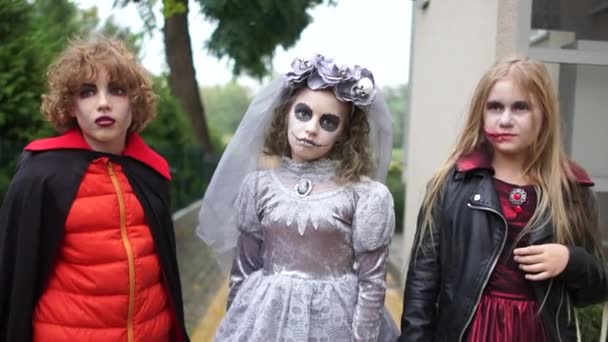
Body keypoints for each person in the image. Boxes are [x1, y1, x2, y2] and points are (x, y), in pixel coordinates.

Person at [399, 56, 608, 341]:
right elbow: (421, 284)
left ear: (543, 113)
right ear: (481, 113)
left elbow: (596, 287)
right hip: (468, 333)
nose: (505, 119)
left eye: (520, 107)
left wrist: (571, 261)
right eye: (495, 107)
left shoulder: (571, 190)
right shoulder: (451, 183)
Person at [197, 54, 399, 341]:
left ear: (344, 133)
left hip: (335, 322)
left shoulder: (364, 195)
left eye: (328, 121)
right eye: (304, 113)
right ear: (286, 113)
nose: (312, 128)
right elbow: (243, 269)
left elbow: (372, 283)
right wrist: (235, 327)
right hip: (265, 318)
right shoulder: (258, 187)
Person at [0, 37, 189, 342]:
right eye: (87, 92)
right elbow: (15, 278)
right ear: (71, 107)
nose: (103, 102)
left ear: (134, 103)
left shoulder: (151, 174)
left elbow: (166, 277)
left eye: (117, 90)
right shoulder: (41, 175)